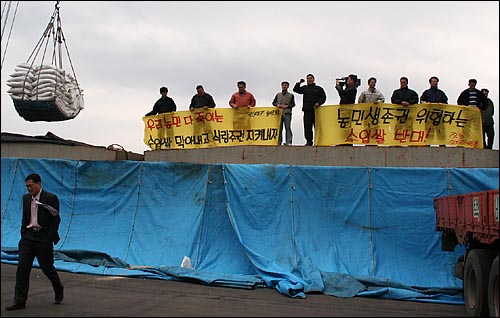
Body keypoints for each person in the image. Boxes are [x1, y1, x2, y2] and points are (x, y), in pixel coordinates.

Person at [6, 173, 64, 311]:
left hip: (43, 237)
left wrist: (49, 236)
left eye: (31, 186)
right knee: (22, 269)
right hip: (28, 238)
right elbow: (25, 217)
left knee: (47, 268)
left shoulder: (50, 198)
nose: (29, 189)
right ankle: (19, 301)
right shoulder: (26, 198)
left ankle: (58, 289)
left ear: (39, 184)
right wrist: (24, 231)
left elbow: (56, 218)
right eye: (27, 186)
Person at [293, 74, 327, 146]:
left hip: (316, 111)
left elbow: (323, 97)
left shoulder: (319, 88)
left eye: (311, 78)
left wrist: (319, 103)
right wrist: (299, 83)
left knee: (317, 127)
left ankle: (319, 141)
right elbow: (296, 90)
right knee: (307, 127)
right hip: (307, 110)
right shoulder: (305, 88)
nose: (309, 80)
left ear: (314, 79)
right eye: (308, 78)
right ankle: (309, 141)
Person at [272, 81, 296, 146]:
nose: (284, 86)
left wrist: (287, 106)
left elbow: (293, 104)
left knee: (288, 128)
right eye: (283, 85)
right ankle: (279, 142)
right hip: (279, 114)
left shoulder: (291, 95)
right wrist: (278, 105)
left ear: (288, 86)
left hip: (287, 113)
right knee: (279, 129)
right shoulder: (278, 94)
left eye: (285, 85)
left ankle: (289, 142)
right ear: (281, 86)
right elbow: (273, 103)